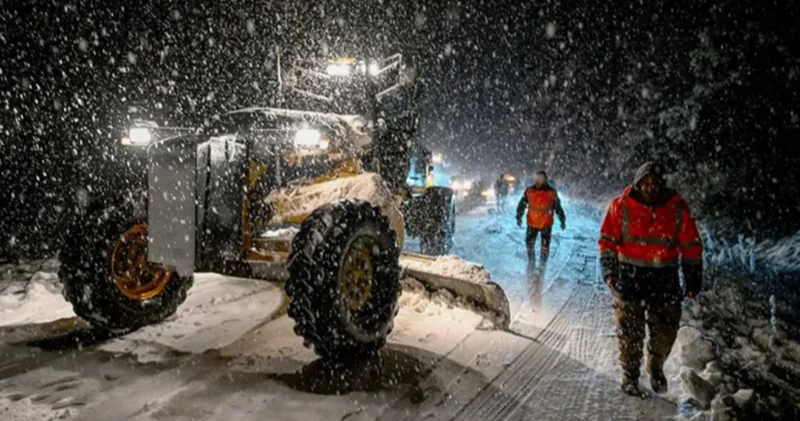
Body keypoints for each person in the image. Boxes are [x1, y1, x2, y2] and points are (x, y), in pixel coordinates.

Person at [598, 162, 703, 396]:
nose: (650, 188)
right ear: (637, 184)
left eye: (655, 184)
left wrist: (693, 278)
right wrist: (610, 273)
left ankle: (656, 367)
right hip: (630, 276)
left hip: (665, 278)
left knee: (665, 331)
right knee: (629, 331)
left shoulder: (677, 208)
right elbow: (607, 241)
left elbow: (691, 246)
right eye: (645, 184)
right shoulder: (620, 206)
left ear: (662, 185)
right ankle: (631, 376)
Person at [516, 171, 566, 276]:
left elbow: (522, 205)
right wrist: (562, 220)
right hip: (542, 224)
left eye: (539, 179)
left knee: (535, 244)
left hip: (537, 223)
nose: (538, 181)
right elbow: (558, 208)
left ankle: (537, 263)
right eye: (537, 179)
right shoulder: (549, 193)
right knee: (540, 244)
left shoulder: (531, 192)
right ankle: (537, 263)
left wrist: (519, 216)